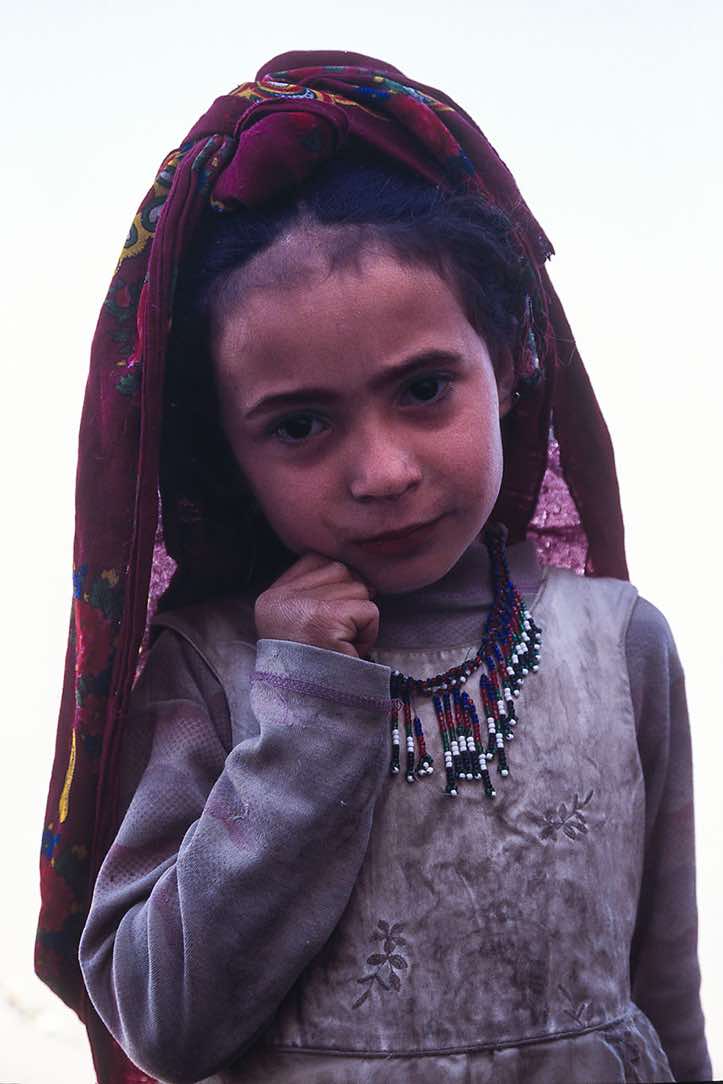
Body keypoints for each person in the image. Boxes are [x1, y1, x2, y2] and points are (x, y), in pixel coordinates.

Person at [35, 50, 712, 1084]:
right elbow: (161, 1020)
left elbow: (660, 989)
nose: (384, 470)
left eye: (426, 389)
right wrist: (305, 706)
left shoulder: (619, 645)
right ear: (226, 452)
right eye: (300, 423)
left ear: (513, 361)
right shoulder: (213, 669)